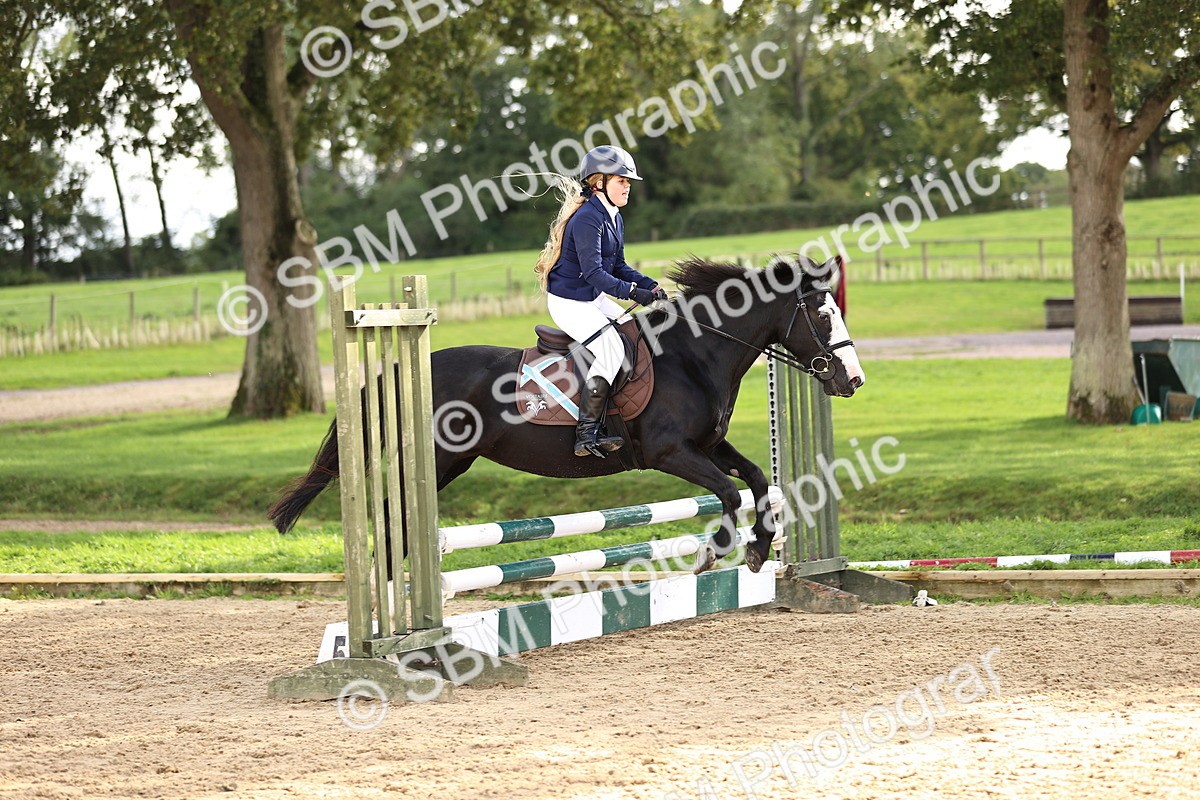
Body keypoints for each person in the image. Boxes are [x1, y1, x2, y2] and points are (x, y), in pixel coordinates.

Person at [533, 145, 668, 458]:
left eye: (628, 181)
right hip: (569, 303)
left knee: (634, 334)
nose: (628, 186)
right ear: (598, 183)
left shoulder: (613, 216)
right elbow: (595, 273)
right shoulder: (587, 220)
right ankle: (587, 430)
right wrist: (634, 293)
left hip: (591, 298)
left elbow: (618, 266)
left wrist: (649, 284)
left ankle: (621, 408)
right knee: (612, 349)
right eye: (622, 180)